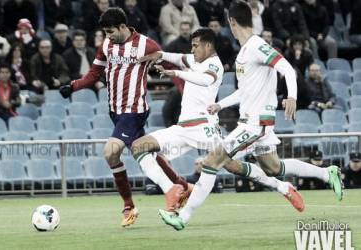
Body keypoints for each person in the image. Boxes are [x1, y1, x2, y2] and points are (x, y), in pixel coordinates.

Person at [158, 0, 343, 231]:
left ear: (232, 21)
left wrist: (292, 96)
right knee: (274, 168)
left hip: (256, 123)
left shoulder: (256, 45)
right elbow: (245, 90)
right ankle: (327, 173)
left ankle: (182, 218)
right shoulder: (244, 52)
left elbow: (285, 67)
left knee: (211, 161)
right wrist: (220, 104)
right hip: (252, 122)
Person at [135, 27, 304, 214]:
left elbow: (205, 80)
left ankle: (281, 186)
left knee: (233, 166)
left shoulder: (215, 64)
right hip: (183, 127)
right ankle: (173, 190)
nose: (192, 50)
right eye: (191, 46)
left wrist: (177, 74)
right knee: (139, 146)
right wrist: (159, 55)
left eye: (195, 46)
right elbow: (177, 58)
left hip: (205, 126)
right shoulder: (194, 59)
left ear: (208, 46)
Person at [58, 7, 189, 227]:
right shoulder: (106, 45)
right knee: (145, 151)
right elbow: (94, 74)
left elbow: (172, 68)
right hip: (115, 111)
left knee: (110, 152)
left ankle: (131, 205)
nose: (108, 36)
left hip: (135, 110)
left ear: (123, 27)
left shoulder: (147, 45)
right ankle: (181, 185)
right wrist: (73, 87)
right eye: (105, 32)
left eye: (110, 31)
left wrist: (187, 98)